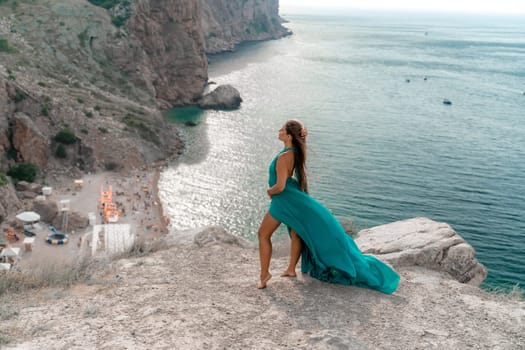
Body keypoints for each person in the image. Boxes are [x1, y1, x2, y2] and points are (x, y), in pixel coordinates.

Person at [257, 119, 400, 294]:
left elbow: (280, 186)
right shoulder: (294, 152)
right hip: (293, 198)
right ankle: (291, 269)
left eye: (281, 129)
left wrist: (269, 191)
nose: (278, 131)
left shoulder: (283, 157)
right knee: (296, 232)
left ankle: (264, 275)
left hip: (283, 200)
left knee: (263, 234)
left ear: (288, 135)